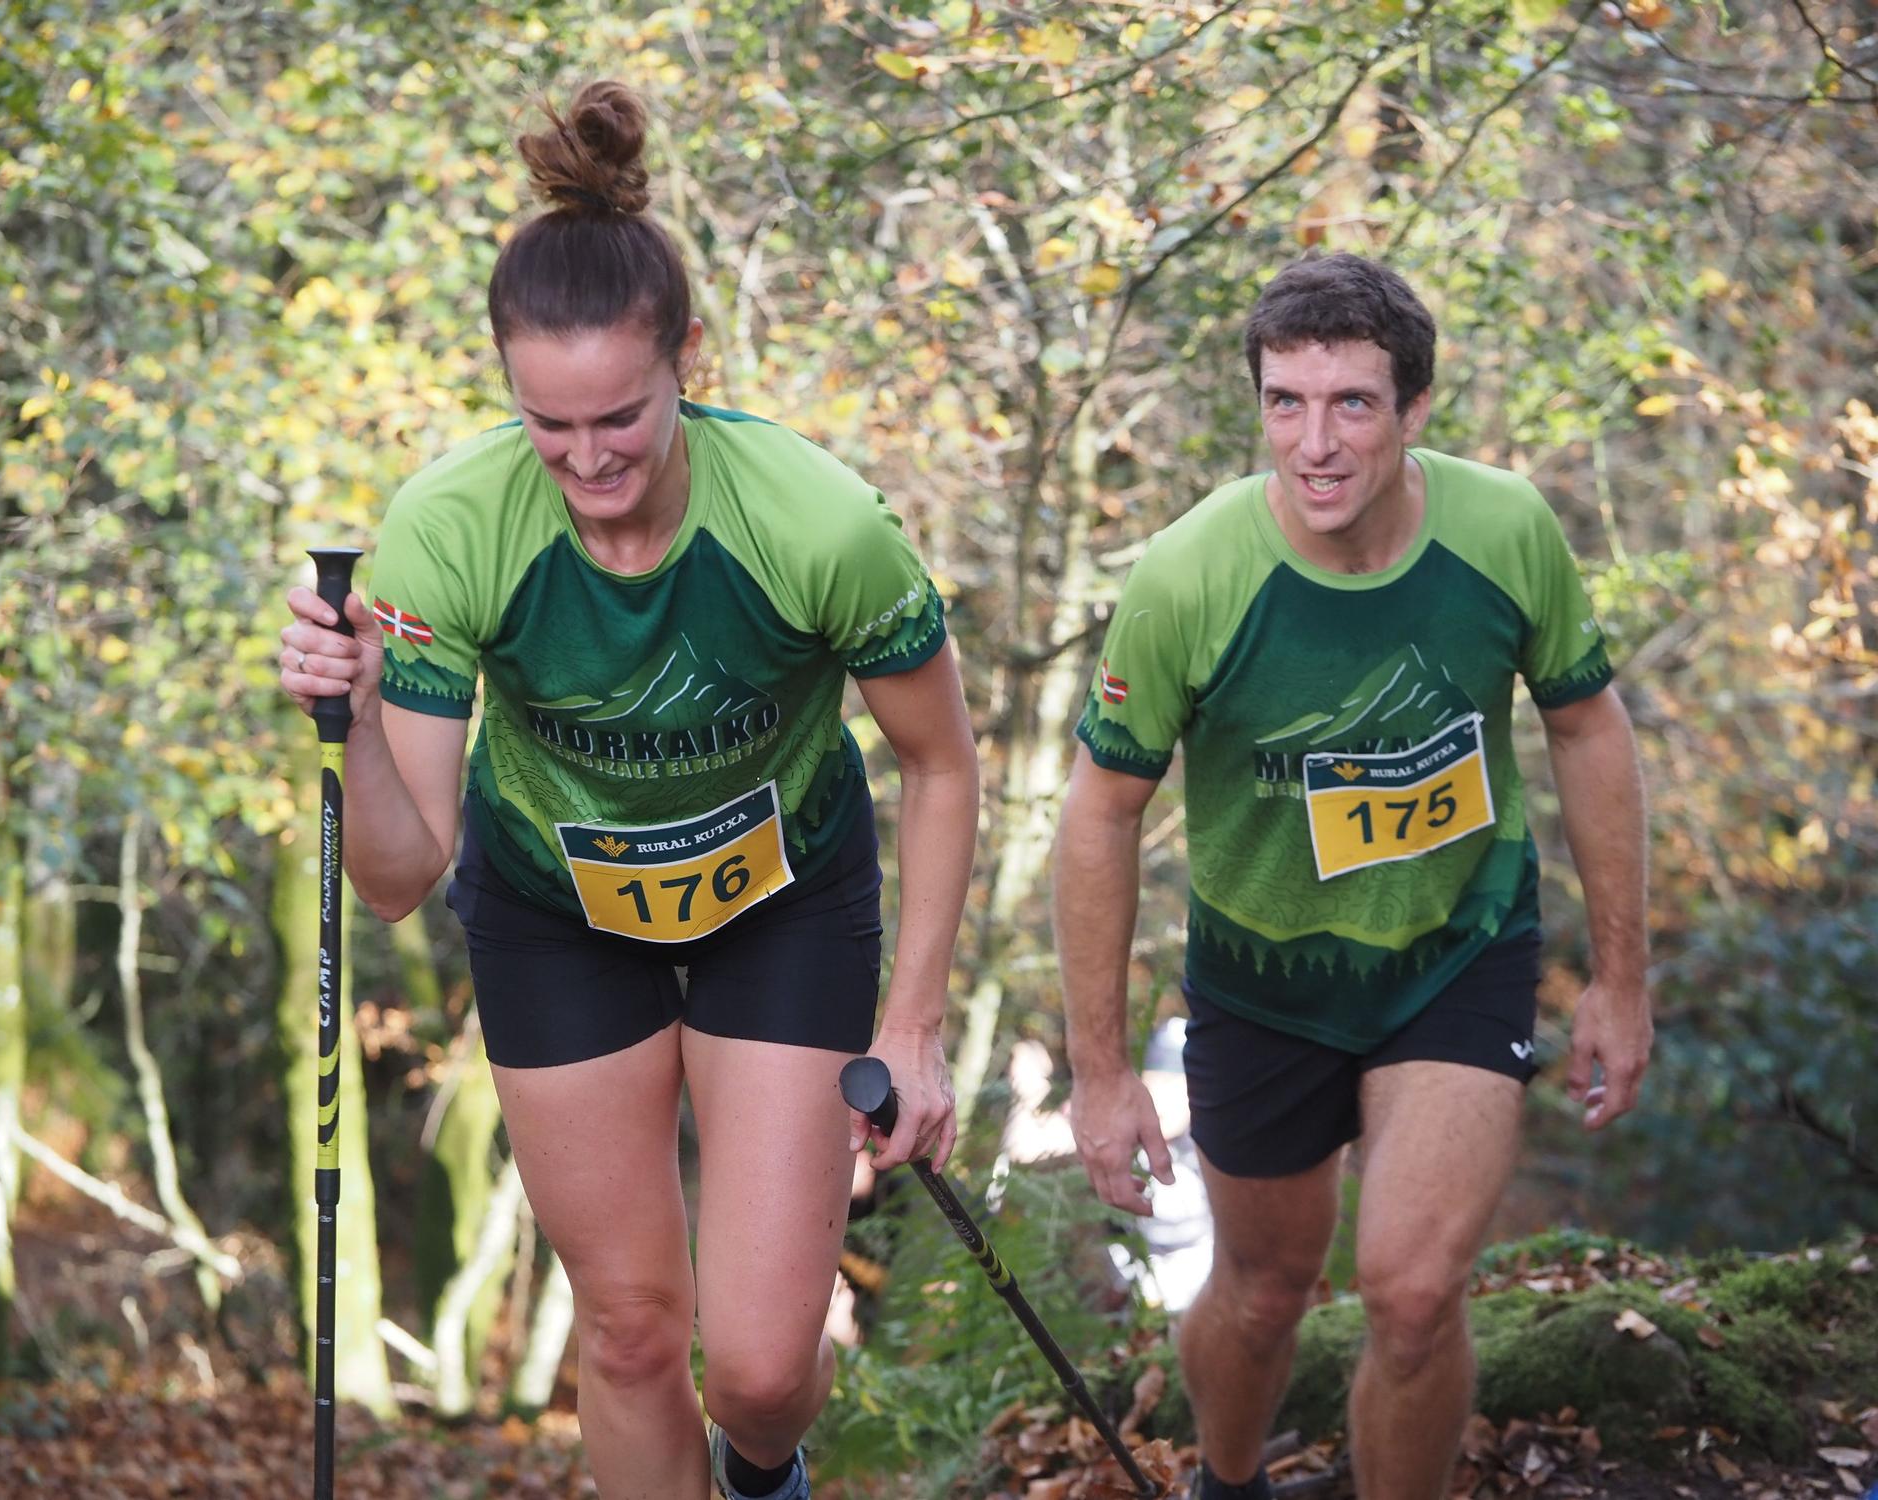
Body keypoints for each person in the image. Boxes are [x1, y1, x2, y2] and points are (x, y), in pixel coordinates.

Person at [278, 80, 978, 1500]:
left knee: (765, 1370)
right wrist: (346, 716)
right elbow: (404, 872)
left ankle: (762, 1479)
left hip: (779, 904)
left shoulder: (815, 523)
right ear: (507, 391)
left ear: (688, 364)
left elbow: (943, 758)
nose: (589, 461)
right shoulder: (447, 532)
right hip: (560, 919)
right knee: (634, 1329)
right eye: (550, 425)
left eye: (622, 418)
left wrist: (915, 1026)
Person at [1054, 253, 1650, 1500]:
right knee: (1265, 1292)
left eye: (1351, 404)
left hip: (1454, 956)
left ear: (1413, 409)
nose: (1313, 443)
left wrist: (1618, 979)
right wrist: (1101, 1074)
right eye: (1284, 402)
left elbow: (1587, 730)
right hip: (1260, 983)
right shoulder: (1185, 577)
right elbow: (1102, 816)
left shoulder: (1502, 531)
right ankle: (1226, 1479)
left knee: (1413, 1293)